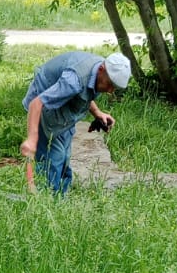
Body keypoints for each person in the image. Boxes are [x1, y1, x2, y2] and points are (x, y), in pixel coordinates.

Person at [20, 50, 132, 194]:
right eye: (110, 84)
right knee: (55, 157)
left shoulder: (98, 72)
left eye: (114, 87)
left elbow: (85, 92)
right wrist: (32, 139)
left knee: (65, 157)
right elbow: (36, 103)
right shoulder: (73, 81)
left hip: (63, 106)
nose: (110, 91)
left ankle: (61, 199)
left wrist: (97, 113)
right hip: (43, 105)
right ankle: (46, 201)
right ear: (101, 69)